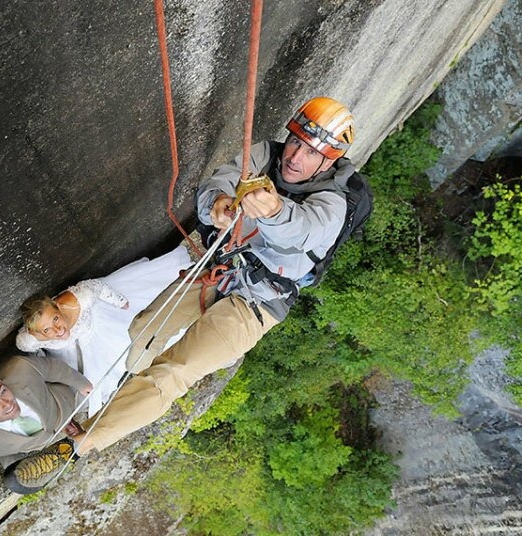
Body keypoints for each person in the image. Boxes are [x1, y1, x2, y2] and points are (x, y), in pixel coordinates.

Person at [75, 96, 359, 454]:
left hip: (260, 301)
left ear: (328, 161)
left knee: (174, 372)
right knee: (143, 331)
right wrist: (216, 205)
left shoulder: (333, 202)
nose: (295, 158)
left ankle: (83, 442)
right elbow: (220, 180)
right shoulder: (266, 154)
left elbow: (303, 231)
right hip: (219, 268)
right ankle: (128, 390)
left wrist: (273, 210)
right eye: (296, 142)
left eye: (310, 153)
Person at [15, 246, 192, 417]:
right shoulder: (31, 339)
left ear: (58, 307)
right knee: (91, 381)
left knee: (134, 337)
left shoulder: (77, 300)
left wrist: (121, 302)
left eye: (55, 318)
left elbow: (98, 288)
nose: (58, 329)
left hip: (101, 328)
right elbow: (27, 347)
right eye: (47, 330)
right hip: (77, 353)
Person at [0, 355, 92, 468]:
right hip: (50, 448)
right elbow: (0, 462)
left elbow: (52, 368)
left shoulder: (20, 368)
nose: (7, 404)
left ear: (0, 381)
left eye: (3, 391)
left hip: (70, 404)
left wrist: (80, 383)